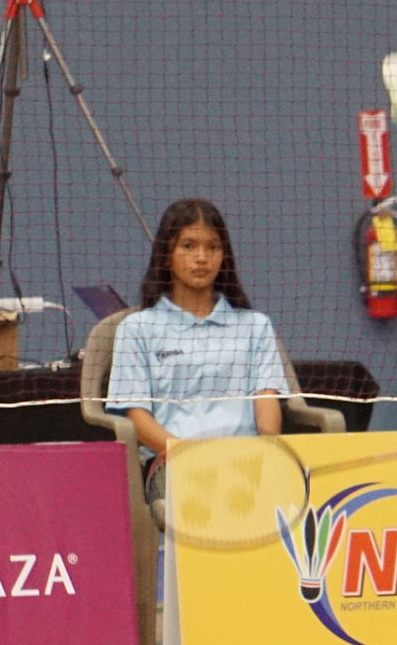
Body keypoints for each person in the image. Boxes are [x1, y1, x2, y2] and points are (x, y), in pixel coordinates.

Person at [106, 198, 290, 500]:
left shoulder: (255, 326)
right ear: (167, 255)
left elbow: (267, 409)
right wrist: (188, 455)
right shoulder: (137, 329)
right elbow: (137, 416)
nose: (202, 257)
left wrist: (268, 457)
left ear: (224, 256)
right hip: (174, 462)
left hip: (246, 463)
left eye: (213, 247)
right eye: (188, 246)